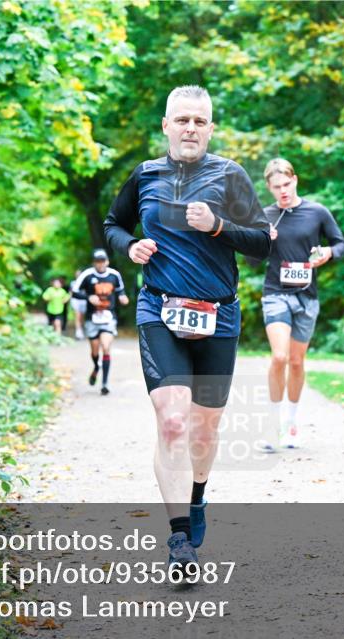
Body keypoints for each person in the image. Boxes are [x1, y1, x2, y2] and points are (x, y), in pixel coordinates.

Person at [103, 85, 270, 569]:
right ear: (166, 126)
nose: (190, 128)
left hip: (219, 314)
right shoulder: (145, 175)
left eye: (199, 121)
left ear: (211, 128)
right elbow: (115, 223)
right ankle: (179, 539)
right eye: (182, 120)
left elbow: (263, 243)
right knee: (172, 420)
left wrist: (218, 227)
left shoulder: (230, 175)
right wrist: (129, 246)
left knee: (203, 428)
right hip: (160, 309)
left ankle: (197, 494)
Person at [250, 158, 344, 450]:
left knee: (296, 361)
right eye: (276, 186)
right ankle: (271, 425)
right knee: (279, 357)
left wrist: (328, 252)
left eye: (287, 184)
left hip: (307, 296)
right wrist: (264, 241)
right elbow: (252, 261)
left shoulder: (316, 212)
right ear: (268, 187)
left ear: (296, 180)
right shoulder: (264, 216)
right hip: (275, 294)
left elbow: (341, 244)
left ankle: (290, 424)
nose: (283, 191)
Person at [72, 249, 129, 396]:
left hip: (109, 318)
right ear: (94, 263)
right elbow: (75, 291)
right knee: (95, 351)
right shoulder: (87, 275)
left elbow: (120, 291)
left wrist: (123, 297)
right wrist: (88, 297)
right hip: (92, 318)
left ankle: (104, 383)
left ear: (107, 261)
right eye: (97, 261)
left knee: (106, 347)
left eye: (103, 261)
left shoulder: (114, 275)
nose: (100, 264)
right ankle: (96, 367)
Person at [70, 269, 87, 340]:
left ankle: (81, 330)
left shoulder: (85, 282)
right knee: (77, 316)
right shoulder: (73, 283)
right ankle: (78, 331)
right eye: (77, 274)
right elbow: (71, 293)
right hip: (75, 301)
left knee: (82, 317)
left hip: (83, 301)